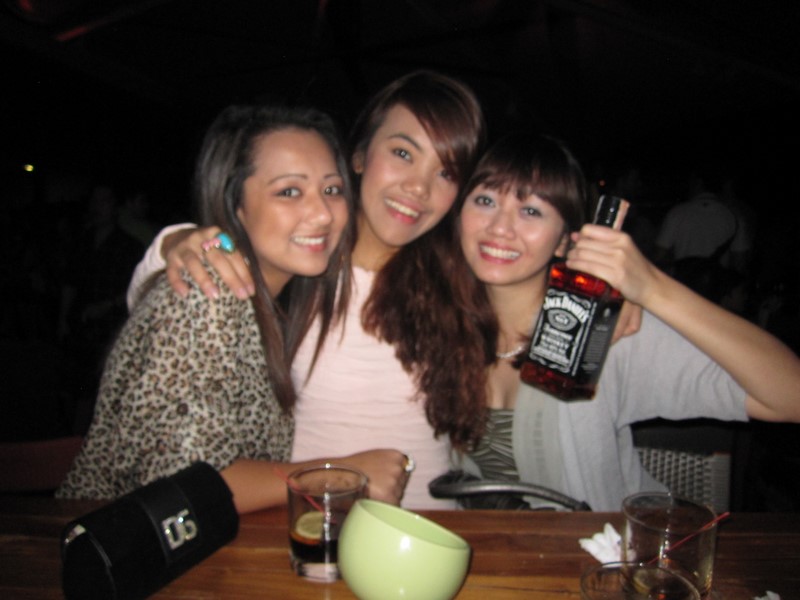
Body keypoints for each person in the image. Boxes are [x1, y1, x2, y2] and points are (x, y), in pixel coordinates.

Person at [124, 70, 488, 509]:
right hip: (311, 526)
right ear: (358, 157)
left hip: (435, 530)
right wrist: (175, 243)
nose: (418, 187)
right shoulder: (305, 263)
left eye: (446, 172)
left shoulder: (462, 282)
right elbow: (159, 311)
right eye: (402, 153)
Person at [410, 132, 800, 511]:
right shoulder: (436, 324)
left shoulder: (601, 333)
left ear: (565, 241)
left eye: (531, 211)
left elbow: (790, 396)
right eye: (485, 200)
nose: (500, 227)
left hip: (592, 550)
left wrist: (652, 288)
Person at [57, 104, 412, 514]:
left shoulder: (271, 303)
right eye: (289, 191)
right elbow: (180, 484)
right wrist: (342, 474)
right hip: (101, 542)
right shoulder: (209, 291)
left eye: (332, 190)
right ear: (235, 204)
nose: (322, 213)